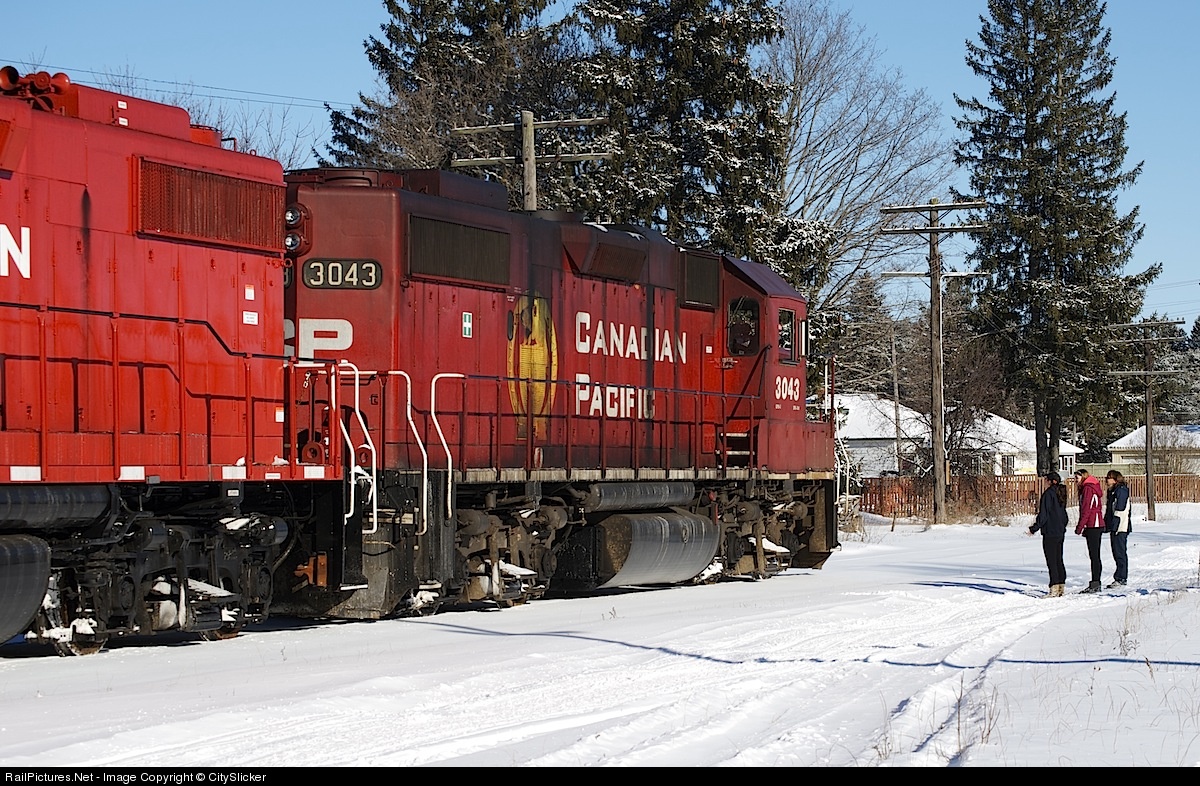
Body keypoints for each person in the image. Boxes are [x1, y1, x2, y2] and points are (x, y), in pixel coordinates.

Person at [1028, 471, 1068, 597]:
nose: (1045, 482)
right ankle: (1061, 585)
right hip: (1060, 530)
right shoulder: (1061, 493)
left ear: (1051, 481)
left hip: (1050, 530)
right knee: (1058, 558)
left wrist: (1034, 528)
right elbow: (1063, 513)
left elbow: (1044, 514)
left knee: (1051, 560)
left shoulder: (1048, 494)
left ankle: (1054, 586)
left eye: (1046, 480)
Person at [1074, 468, 1106, 593]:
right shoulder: (1090, 487)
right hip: (1094, 524)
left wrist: (1080, 526)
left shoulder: (1088, 488)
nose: (1075, 480)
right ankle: (1095, 582)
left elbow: (1086, 509)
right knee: (1094, 555)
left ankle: (1095, 583)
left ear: (1083, 477)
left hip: (1094, 524)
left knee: (1094, 555)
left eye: (1077, 478)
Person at [1104, 470, 1132, 587]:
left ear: (1115, 479)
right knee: (1116, 552)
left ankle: (1121, 578)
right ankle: (1119, 576)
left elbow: (1120, 509)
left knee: (1120, 552)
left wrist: (1115, 525)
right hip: (1115, 526)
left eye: (1109, 478)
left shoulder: (1121, 491)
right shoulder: (1112, 491)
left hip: (1121, 526)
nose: (1106, 480)